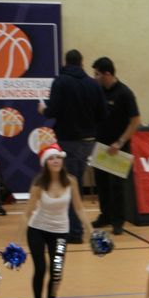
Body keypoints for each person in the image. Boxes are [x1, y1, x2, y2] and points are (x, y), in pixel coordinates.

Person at [38, 49, 106, 243]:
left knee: (69, 185)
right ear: (81, 63)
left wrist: (43, 110)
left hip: (68, 140)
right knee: (76, 182)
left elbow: (53, 111)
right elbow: (103, 113)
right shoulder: (93, 84)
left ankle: (74, 231)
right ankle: (71, 228)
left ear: (66, 62)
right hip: (89, 141)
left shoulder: (60, 82)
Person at [21, 144, 93, 298]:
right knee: (40, 267)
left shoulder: (71, 181)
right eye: (51, 158)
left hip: (60, 232)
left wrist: (91, 230)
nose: (55, 161)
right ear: (45, 163)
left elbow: (79, 208)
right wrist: (17, 241)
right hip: (37, 229)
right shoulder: (39, 183)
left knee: (57, 268)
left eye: (58, 158)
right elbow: (27, 213)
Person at [91, 57, 141, 236]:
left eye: (97, 74)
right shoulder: (98, 92)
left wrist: (120, 142)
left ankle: (118, 221)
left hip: (119, 148)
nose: (95, 77)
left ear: (107, 74)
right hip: (101, 146)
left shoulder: (125, 93)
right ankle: (105, 216)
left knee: (117, 186)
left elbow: (135, 121)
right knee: (102, 184)